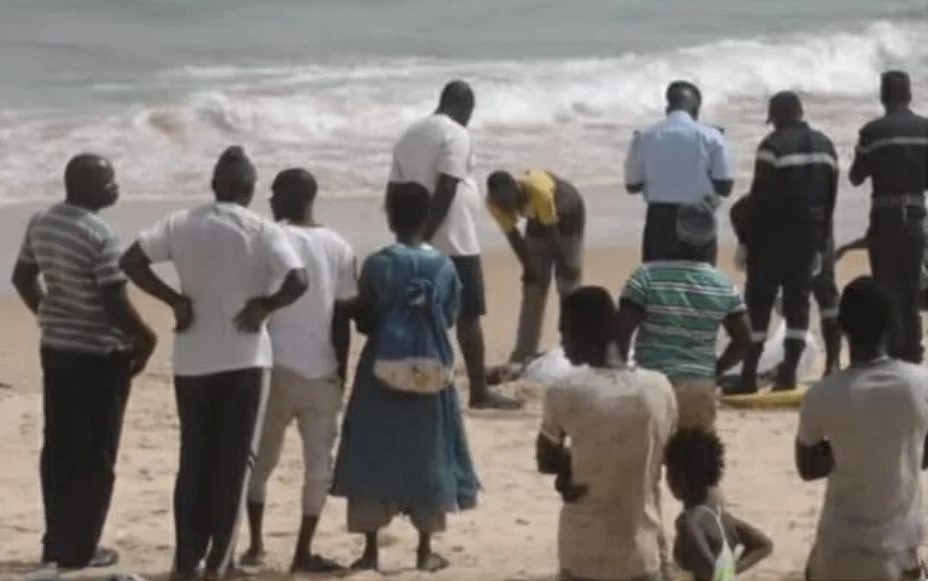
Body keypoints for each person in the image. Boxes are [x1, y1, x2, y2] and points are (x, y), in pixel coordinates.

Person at [119, 146, 308, 581]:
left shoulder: (181, 222)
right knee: (234, 462)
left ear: (214, 185)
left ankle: (186, 561)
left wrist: (175, 301)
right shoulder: (262, 230)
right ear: (252, 190)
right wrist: (265, 305)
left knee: (195, 461)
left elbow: (132, 260)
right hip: (244, 359)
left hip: (192, 360)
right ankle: (218, 564)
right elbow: (299, 280)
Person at [11, 154, 156, 570]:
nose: (116, 186)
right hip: (98, 356)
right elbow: (114, 300)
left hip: (56, 351)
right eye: (109, 180)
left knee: (59, 449)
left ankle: (55, 543)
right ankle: (82, 548)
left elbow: (22, 277)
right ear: (86, 186)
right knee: (96, 456)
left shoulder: (42, 222)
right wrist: (144, 337)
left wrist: (48, 314)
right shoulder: (101, 234)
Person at [330, 182, 480, 573]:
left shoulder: (380, 264)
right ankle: (425, 547)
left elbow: (366, 318)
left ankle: (370, 550)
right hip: (431, 372)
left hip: (382, 368)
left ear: (391, 215)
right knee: (428, 451)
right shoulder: (445, 266)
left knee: (373, 450)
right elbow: (448, 316)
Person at [240, 169, 356, 573]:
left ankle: (255, 546)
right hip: (321, 369)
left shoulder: (271, 239)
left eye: (275, 194)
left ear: (292, 197)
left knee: (262, 460)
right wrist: (340, 371)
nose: (269, 200)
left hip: (275, 367)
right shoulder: (339, 246)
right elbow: (342, 319)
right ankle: (303, 552)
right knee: (318, 468)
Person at [388, 80, 519, 410]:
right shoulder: (455, 133)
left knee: (422, 314)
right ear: (465, 108)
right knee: (469, 316)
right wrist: (428, 236)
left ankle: (420, 385)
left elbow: (394, 191)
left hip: (415, 239)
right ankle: (478, 391)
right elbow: (446, 187)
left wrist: (405, 236)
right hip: (455, 240)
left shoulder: (409, 134)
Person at [537, 286, 677, 581]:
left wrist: (572, 469)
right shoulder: (659, 387)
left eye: (565, 332)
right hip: (643, 548)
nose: (562, 344)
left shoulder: (564, 392)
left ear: (585, 332)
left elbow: (546, 459)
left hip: (583, 549)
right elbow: (665, 457)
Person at [797, 276, 928, 581]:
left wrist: (844, 451)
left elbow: (807, 467)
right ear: (892, 326)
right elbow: (923, 458)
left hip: (837, 549)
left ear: (842, 329)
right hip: (895, 554)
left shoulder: (821, 395)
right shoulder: (919, 385)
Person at [730, 91, 838, 394]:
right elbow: (830, 200)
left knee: (759, 305)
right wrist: (821, 244)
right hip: (809, 239)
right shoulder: (827, 146)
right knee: (798, 306)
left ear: (775, 117)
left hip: (772, 239)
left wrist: (745, 241)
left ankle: (749, 375)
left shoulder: (771, 146)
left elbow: (759, 199)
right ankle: (788, 374)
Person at [615, 201, 750, 431]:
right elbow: (744, 339)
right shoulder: (723, 285)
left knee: (649, 462)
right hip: (698, 388)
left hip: (651, 385)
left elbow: (620, 334)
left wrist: (622, 376)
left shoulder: (645, 276)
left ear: (677, 233)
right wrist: (715, 370)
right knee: (691, 462)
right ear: (711, 237)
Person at [848, 70, 928, 364]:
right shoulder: (925, 128)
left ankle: (891, 350)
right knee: (910, 288)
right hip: (917, 216)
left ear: (883, 96)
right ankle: (913, 353)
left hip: (885, 215)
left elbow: (856, 177)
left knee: (885, 287)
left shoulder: (873, 131)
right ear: (909, 95)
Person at [731, 194, 842, 378]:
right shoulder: (749, 210)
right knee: (766, 296)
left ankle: (832, 364)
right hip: (787, 211)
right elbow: (740, 210)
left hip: (814, 218)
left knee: (824, 289)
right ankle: (752, 369)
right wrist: (744, 243)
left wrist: (820, 244)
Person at [624, 80, 734, 264]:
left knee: (658, 280)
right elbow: (725, 186)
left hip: (659, 220)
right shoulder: (712, 136)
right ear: (696, 109)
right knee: (699, 280)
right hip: (699, 217)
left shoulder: (644, 136)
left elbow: (632, 185)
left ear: (668, 106)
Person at [485, 169, 586, 363]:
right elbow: (514, 237)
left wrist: (565, 264)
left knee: (568, 286)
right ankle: (524, 352)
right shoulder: (494, 203)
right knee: (533, 286)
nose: (506, 208)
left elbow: (552, 233)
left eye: (509, 203)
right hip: (538, 217)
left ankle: (573, 347)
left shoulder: (538, 192)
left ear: (517, 189)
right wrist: (528, 268)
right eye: (501, 204)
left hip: (568, 209)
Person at [665, 428, 773, 581]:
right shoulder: (724, 518)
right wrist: (730, 572)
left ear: (679, 479)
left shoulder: (689, 524)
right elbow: (764, 545)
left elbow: (708, 566)